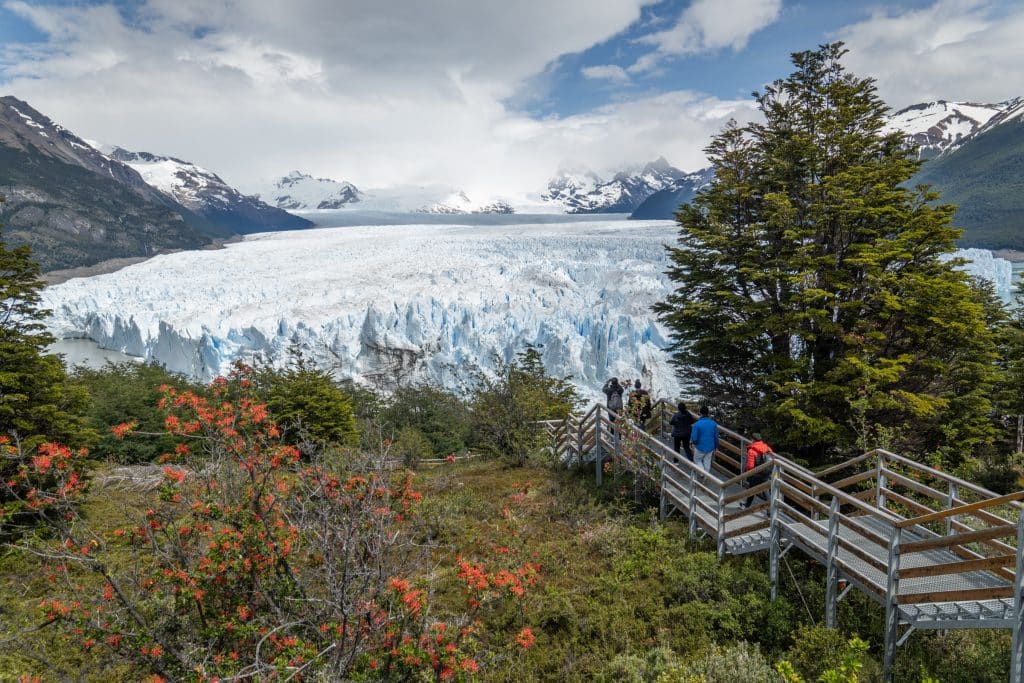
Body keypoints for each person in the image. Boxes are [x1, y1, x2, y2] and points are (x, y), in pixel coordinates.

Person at [740, 433, 774, 509]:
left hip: (755, 474)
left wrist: (746, 473)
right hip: (766, 472)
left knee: (753, 489)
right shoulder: (767, 448)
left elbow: (750, 466)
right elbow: (771, 458)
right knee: (764, 491)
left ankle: (747, 506)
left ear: (752, 440)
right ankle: (770, 511)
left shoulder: (751, 451)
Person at [690, 405, 718, 473]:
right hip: (710, 446)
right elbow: (716, 437)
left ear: (700, 413)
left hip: (700, 446)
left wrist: (693, 443)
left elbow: (694, 438)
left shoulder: (697, 424)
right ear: (708, 413)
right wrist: (716, 447)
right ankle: (706, 476)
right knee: (707, 462)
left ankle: (702, 473)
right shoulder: (713, 424)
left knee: (697, 460)